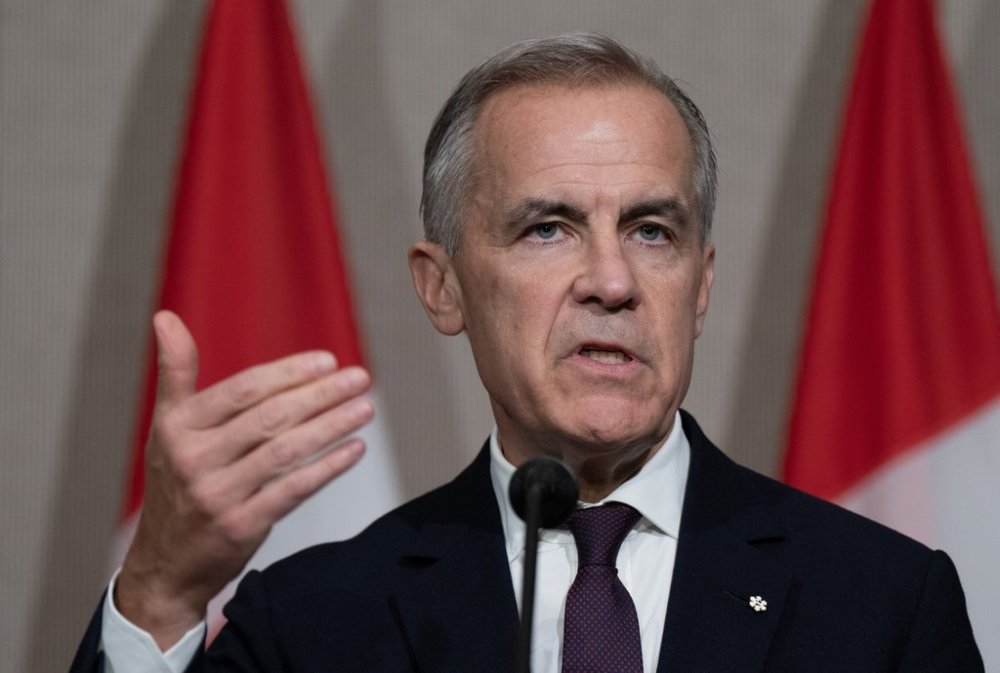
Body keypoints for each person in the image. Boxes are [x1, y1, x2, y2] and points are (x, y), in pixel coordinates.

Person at [72, 33, 982, 672]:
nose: (613, 281)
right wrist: (160, 586)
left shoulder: (884, 604)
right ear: (443, 287)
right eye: (548, 229)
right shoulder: (314, 621)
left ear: (700, 287)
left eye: (653, 230)